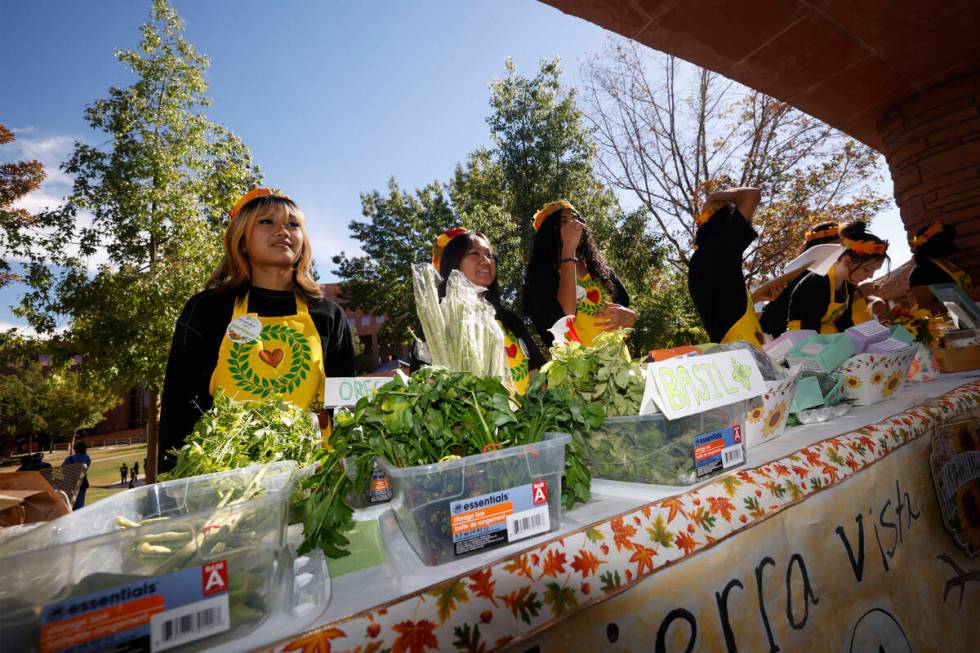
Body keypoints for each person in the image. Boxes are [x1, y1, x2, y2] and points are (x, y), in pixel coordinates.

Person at [159, 188, 355, 473]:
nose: (283, 231)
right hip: (226, 483)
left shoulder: (328, 314)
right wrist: (172, 486)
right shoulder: (208, 309)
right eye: (267, 222)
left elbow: (345, 406)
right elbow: (179, 405)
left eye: (293, 224)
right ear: (241, 241)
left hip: (316, 479)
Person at [416, 228, 545, 394]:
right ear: (454, 262)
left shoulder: (510, 320)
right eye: (474, 253)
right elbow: (424, 383)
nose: (485, 260)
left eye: (489, 255)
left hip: (527, 418)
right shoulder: (437, 324)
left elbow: (537, 371)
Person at [522, 200, 635, 348]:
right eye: (564, 221)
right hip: (576, 369)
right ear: (549, 232)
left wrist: (631, 317)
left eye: (576, 219)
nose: (574, 224)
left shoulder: (602, 272)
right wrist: (568, 248)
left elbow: (623, 318)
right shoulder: (540, 277)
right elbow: (565, 315)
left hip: (618, 366)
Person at [687, 187, 765, 346]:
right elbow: (752, 195)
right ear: (726, 221)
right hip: (744, 349)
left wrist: (759, 297)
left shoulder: (701, 259)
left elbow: (726, 307)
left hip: (729, 348)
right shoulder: (722, 246)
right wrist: (716, 196)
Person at [787, 222, 888, 333]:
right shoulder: (817, 283)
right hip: (804, 343)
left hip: (828, 340)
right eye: (867, 270)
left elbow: (845, 323)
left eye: (874, 271)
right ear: (847, 261)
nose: (871, 276)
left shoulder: (848, 285)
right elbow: (810, 333)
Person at [759, 221, 841, 338]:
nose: (842, 252)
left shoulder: (835, 278)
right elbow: (776, 314)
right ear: (821, 246)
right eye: (837, 245)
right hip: (775, 337)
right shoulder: (802, 273)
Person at [908, 222, 977, 313]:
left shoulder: (948, 263)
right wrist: (969, 300)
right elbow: (925, 307)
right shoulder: (920, 272)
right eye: (945, 240)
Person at [63, 441, 92, 509]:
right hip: (82, 482)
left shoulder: (70, 459)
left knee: (70, 502)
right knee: (80, 501)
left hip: (70, 483)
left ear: (76, 449)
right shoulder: (87, 458)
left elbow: (62, 470)